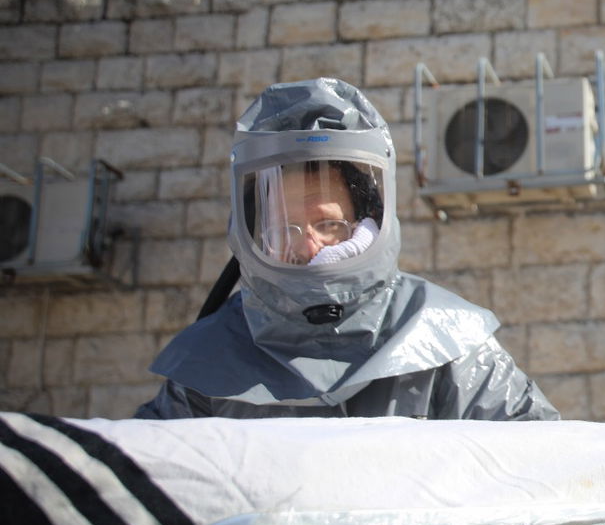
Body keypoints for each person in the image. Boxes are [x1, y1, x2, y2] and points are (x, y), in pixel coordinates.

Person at [136, 77, 558, 421]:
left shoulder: (445, 342)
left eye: (330, 225)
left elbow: (535, 464)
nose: (309, 244)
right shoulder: (208, 363)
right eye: (285, 227)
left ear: (369, 224)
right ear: (249, 232)